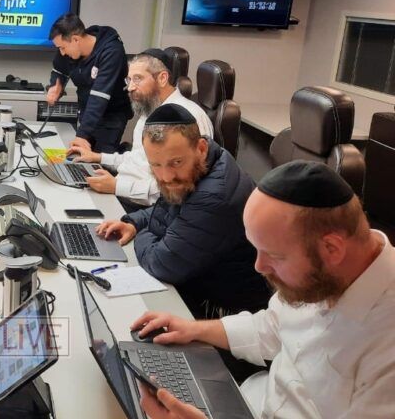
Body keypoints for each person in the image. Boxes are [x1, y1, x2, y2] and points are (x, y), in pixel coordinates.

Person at [132, 161, 395, 419]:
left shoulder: (386, 347)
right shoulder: (321, 274)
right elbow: (273, 325)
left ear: (331, 249)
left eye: (274, 255)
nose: (259, 266)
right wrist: (193, 329)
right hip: (253, 400)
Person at [96, 104, 269, 318]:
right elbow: (167, 209)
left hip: (221, 310)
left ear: (201, 148)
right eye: (155, 165)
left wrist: (143, 233)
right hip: (197, 280)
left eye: (176, 162)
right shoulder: (205, 163)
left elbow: (161, 264)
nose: (166, 176)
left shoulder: (214, 196)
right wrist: (133, 223)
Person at [69, 49, 212, 211]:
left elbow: (177, 187)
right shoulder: (150, 110)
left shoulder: (186, 118)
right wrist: (98, 157)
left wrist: (117, 186)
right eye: (129, 80)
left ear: (162, 78)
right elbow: (137, 158)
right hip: (121, 192)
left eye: (138, 79)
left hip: (142, 207)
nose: (130, 87)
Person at [46, 13, 132, 153]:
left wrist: (82, 136)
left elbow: (99, 97)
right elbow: (59, 71)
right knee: (81, 156)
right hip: (87, 113)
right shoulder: (69, 49)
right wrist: (55, 86)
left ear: (75, 39)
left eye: (62, 48)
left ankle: (122, 153)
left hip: (111, 117)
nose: (61, 53)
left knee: (100, 160)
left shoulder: (111, 51)